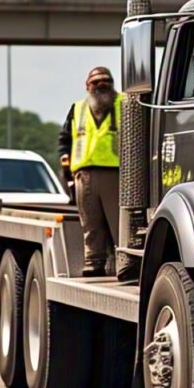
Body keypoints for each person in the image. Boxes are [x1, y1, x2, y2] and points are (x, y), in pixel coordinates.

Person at [58, 66, 124, 277]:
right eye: (95, 82)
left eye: (105, 80)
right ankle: (94, 263)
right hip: (84, 176)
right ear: (87, 86)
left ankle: (124, 263)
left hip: (115, 174)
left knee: (118, 224)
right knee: (90, 224)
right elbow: (65, 140)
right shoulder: (77, 108)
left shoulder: (124, 104)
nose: (100, 85)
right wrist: (66, 170)